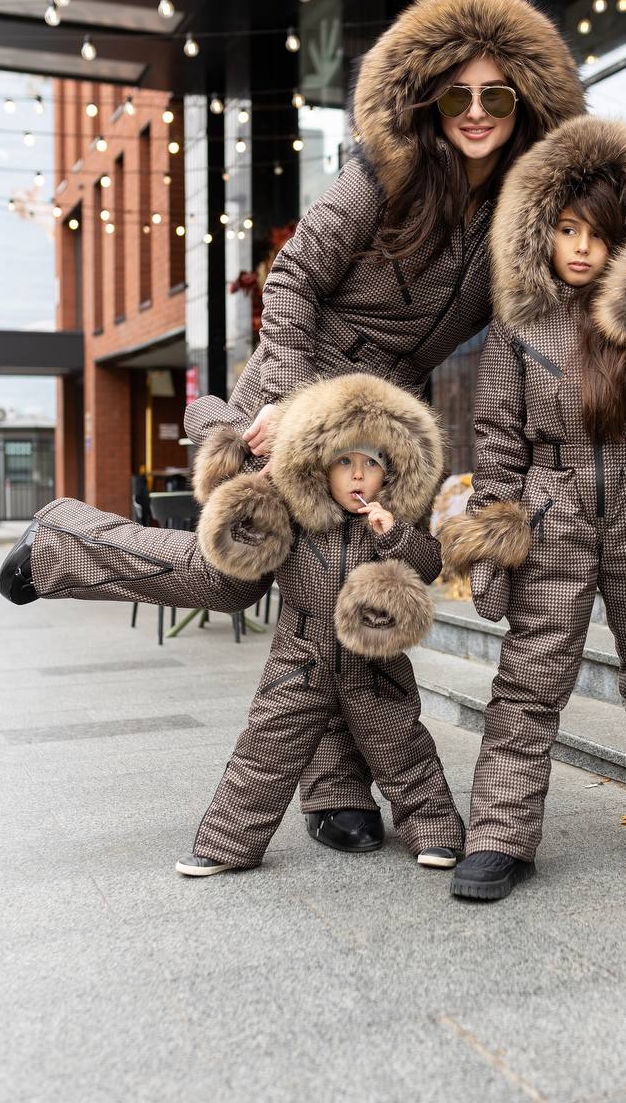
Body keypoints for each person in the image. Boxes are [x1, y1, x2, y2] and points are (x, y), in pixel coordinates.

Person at [0, 0, 584, 856]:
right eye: (454, 95)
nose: (473, 112)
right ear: (427, 100)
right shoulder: (383, 170)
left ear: (524, 104)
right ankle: (62, 543)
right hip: (300, 385)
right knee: (238, 573)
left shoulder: (518, 219)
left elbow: (539, 321)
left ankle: (337, 789)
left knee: (345, 583)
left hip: (390, 421)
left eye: (494, 97)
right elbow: (293, 280)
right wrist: (291, 403)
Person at [441, 116, 626, 901]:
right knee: (528, 681)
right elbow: (497, 437)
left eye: (598, 233)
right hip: (550, 509)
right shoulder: (519, 323)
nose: (581, 247)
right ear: (542, 232)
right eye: (566, 229)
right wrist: (493, 534)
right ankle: (500, 836)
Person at [174, 371, 465, 876]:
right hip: (299, 657)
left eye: (371, 464)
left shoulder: (391, 523)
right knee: (265, 749)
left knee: (404, 748)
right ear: (319, 468)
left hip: (375, 662)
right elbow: (239, 542)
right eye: (344, 463)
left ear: (389, 473)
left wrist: (394, 536)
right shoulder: (294, 513)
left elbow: (428, 564)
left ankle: (436, 832)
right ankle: (225, 845)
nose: (357, 477)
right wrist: (257, 488)